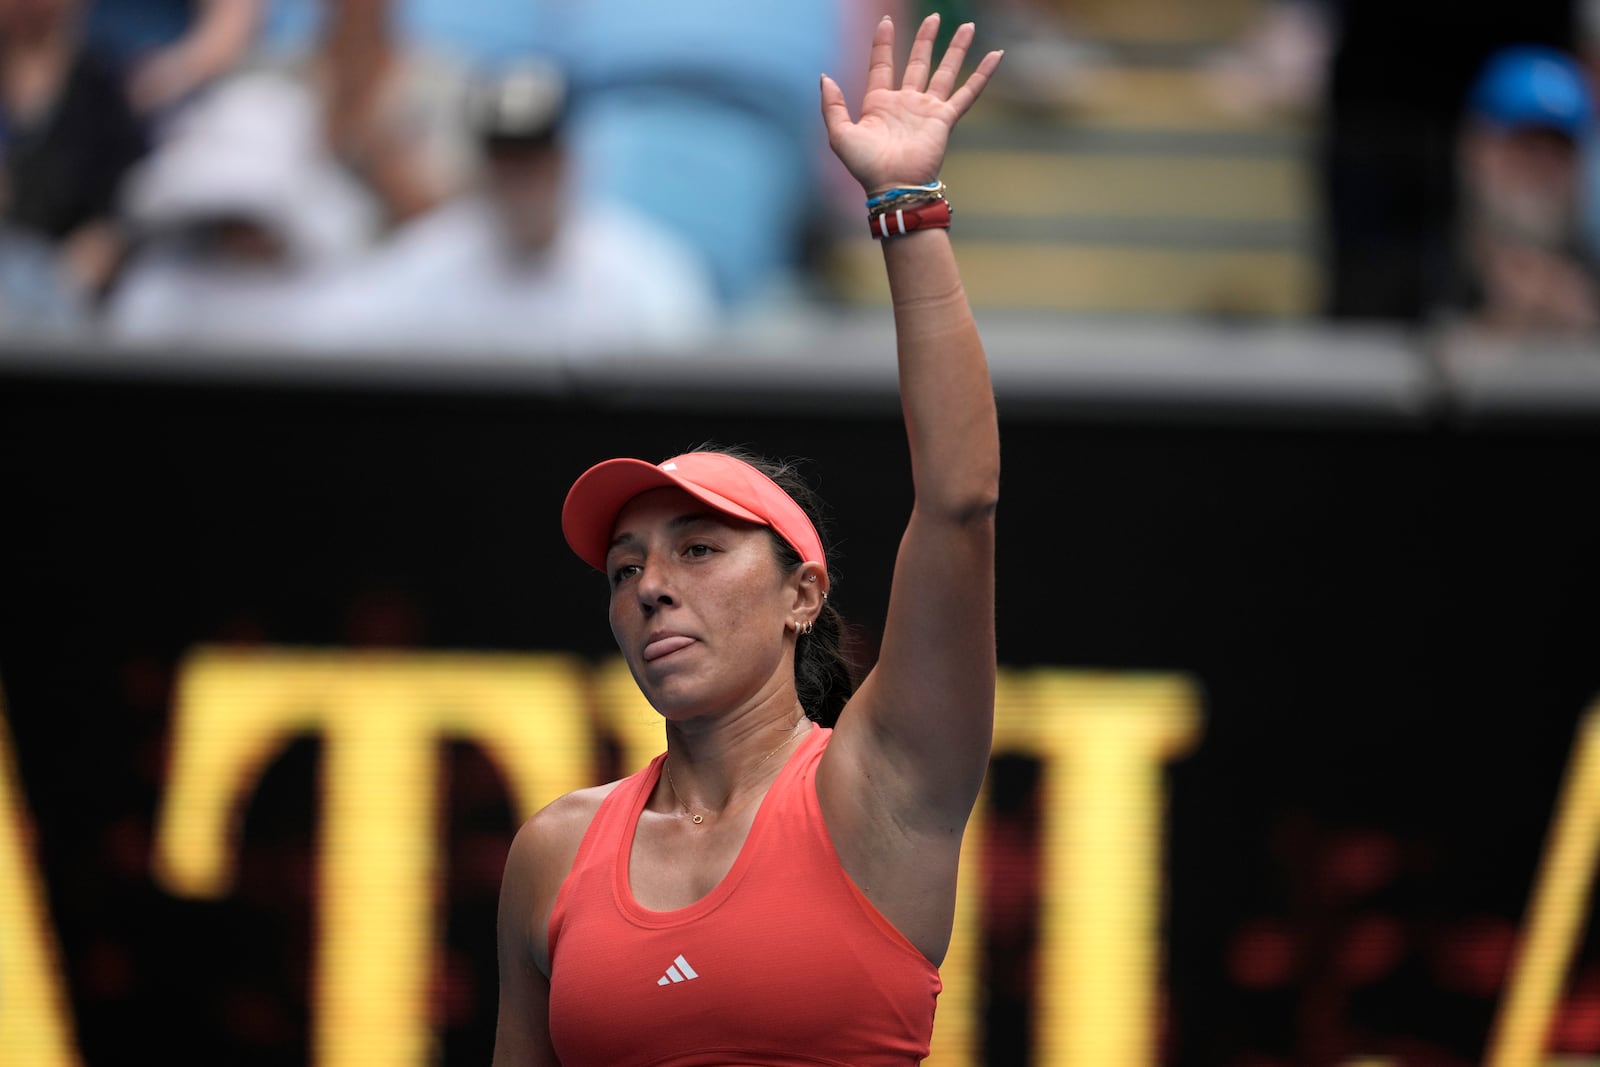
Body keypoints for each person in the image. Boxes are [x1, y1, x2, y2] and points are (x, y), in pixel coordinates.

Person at [491, 13, 1002, 1065]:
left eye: (697, 548)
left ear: (802, 594)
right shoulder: (552, 850)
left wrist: (906, 205)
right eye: (625, 566)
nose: (649, 587)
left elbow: (959, 498)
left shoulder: (882, 788)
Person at [297, 60, 719, 360]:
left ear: (566, 158)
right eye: (505, 158)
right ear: (483, 164)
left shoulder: (646, 272)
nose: (520, 178)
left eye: (534, 156)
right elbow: (329, 353)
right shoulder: (423, 261)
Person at [1442, 43, 1600, 337]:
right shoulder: (1416, 269)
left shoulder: (1591, 282)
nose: (1541, 167)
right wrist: (1495, 320)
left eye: (1559, 150)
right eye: (1525, 145)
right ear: (1477, 150)